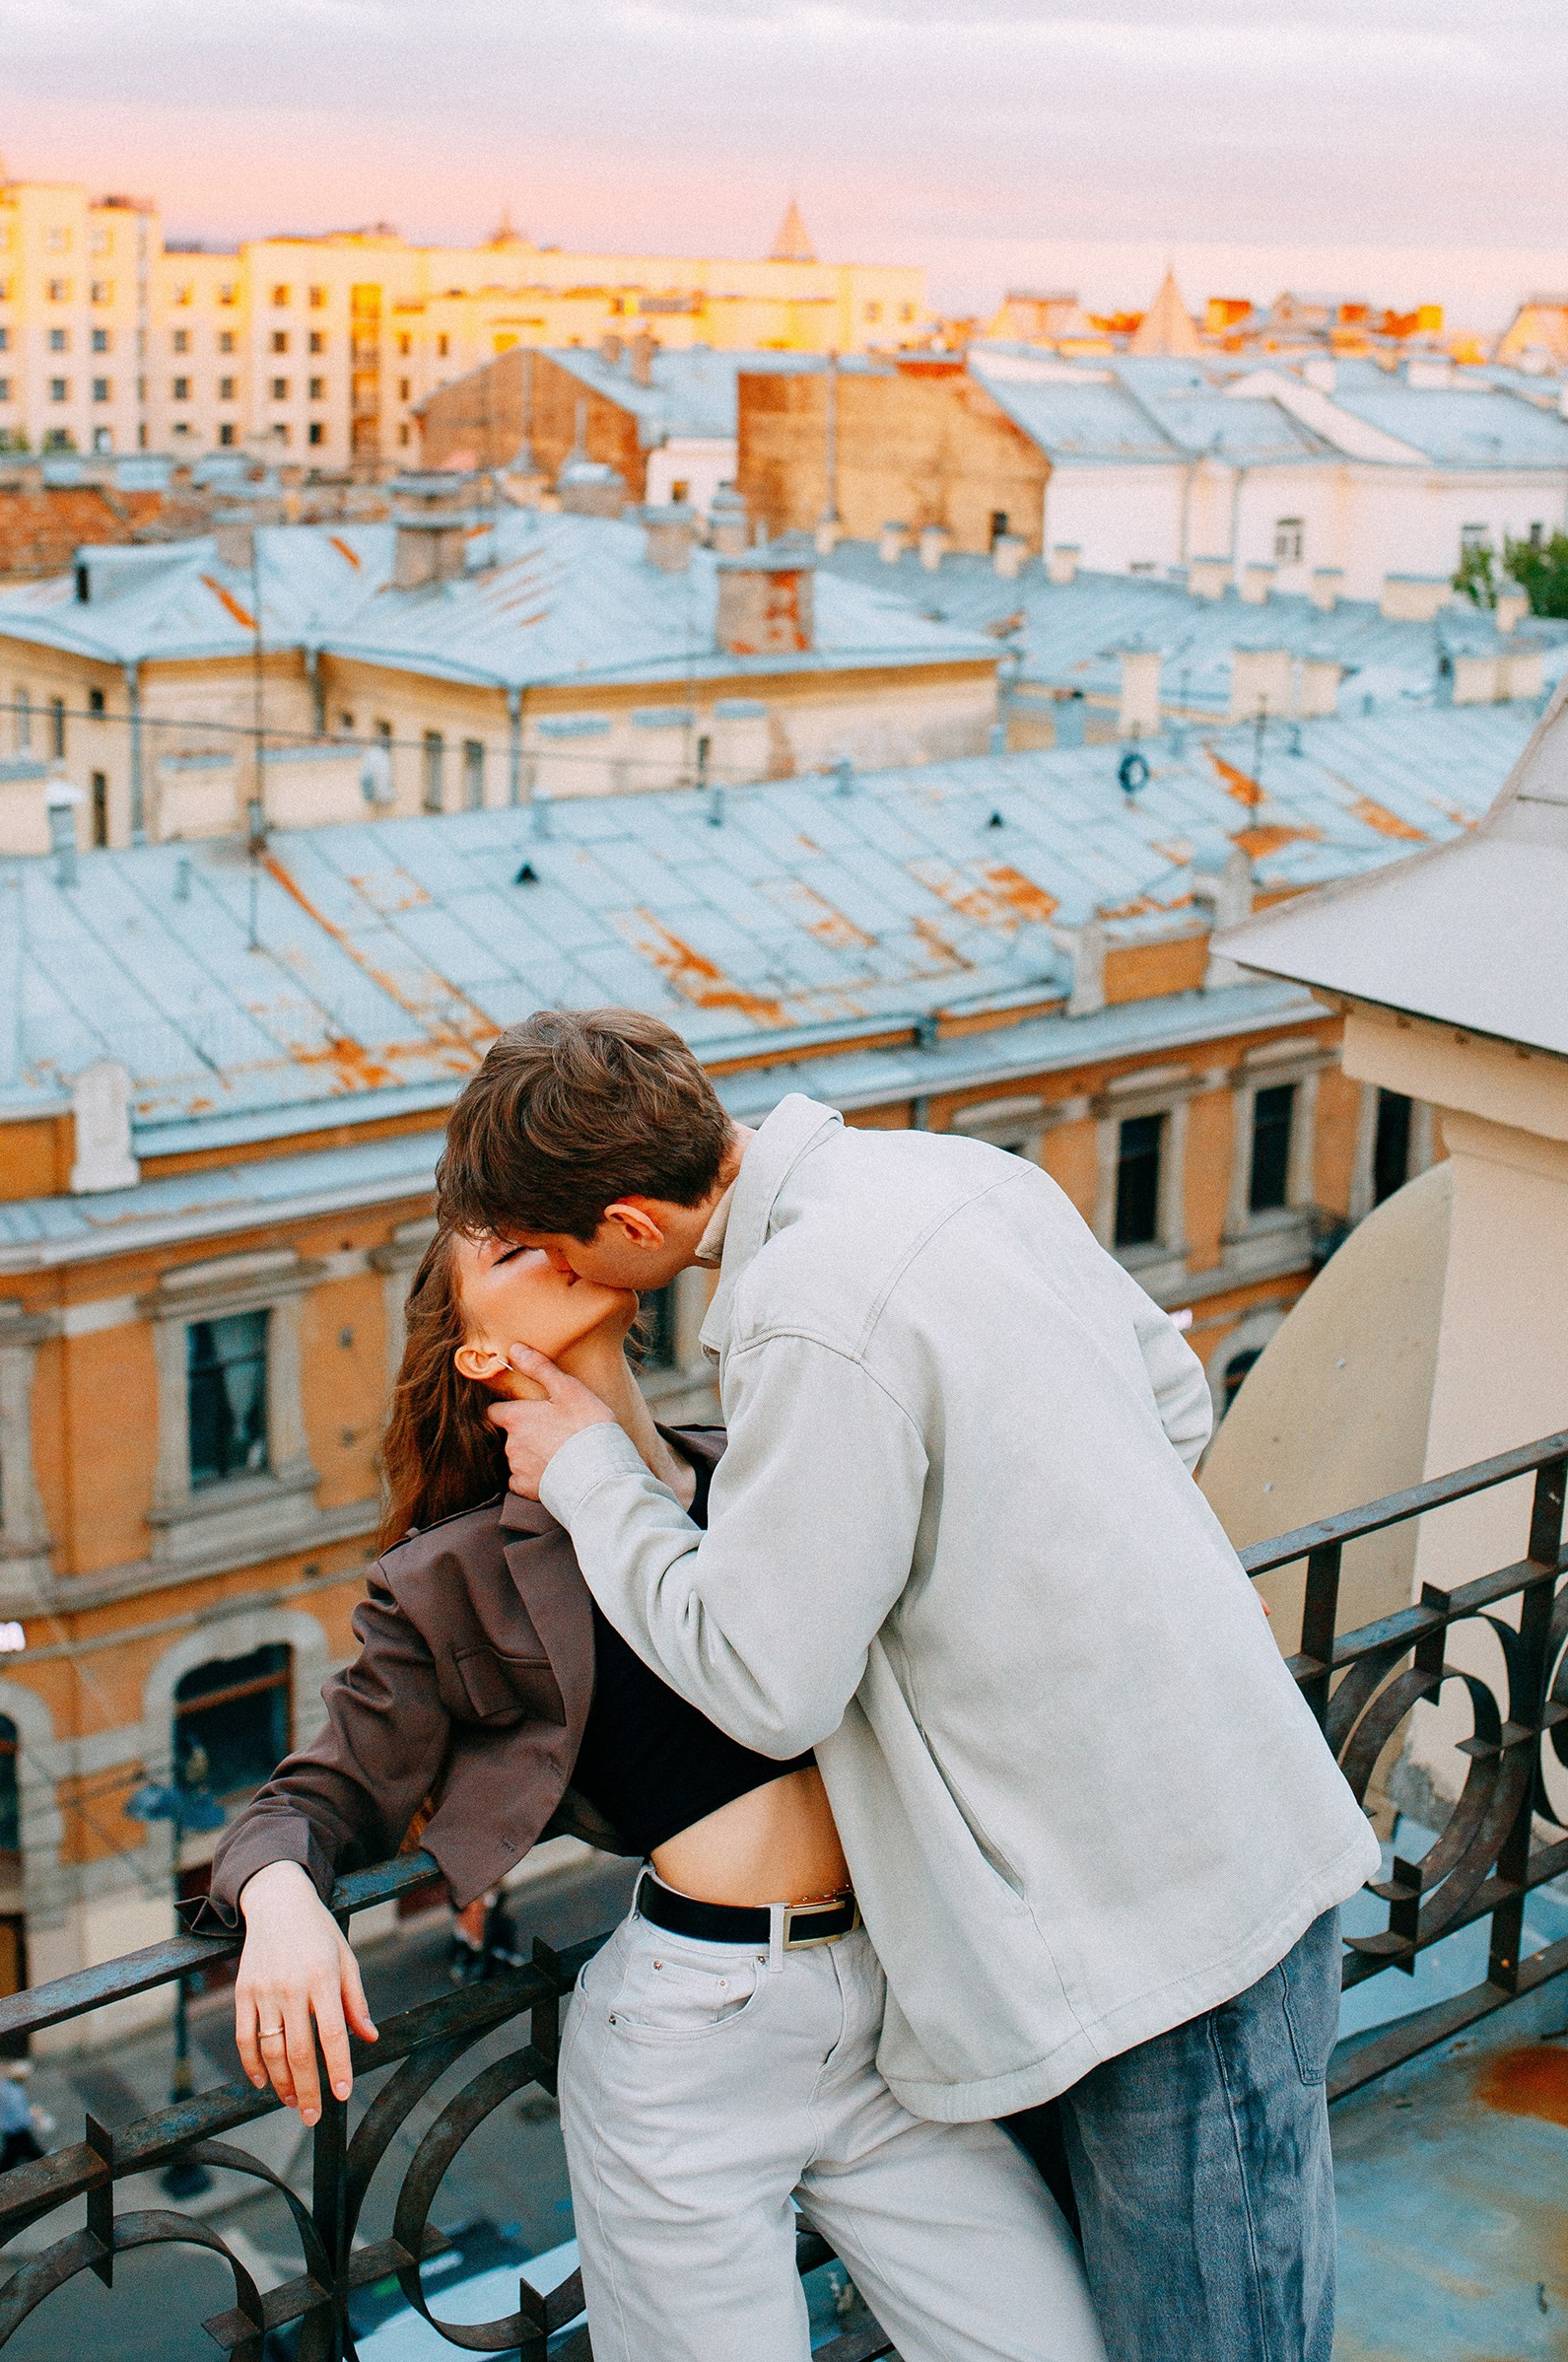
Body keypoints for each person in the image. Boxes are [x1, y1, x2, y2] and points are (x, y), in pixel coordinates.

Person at [436, 1007, 1383, 2362]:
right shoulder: (952, 1172)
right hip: (1208, 1837)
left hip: (1151, 1913)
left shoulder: (808, 1324)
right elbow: (1175, 1403)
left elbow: (769, 1682)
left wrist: (590, 1470)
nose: (585, 1283)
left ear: (636, 1223)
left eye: (565, 1248)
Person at [209, 1226, 1104, 2362]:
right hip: (692, 2042)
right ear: (480, 1354)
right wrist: (280, 1898)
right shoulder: (457, 1576)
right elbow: (318, 1795)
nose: (554, 1240)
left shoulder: (758, 1465)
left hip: (895, 2011)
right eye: (509, 1252)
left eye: (555, 1224)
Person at [0, 2061, 40, 2174]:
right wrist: (33, 2117)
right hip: (15, 2128)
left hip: (5, 2125)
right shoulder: (16, 2094)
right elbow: (20, 2116)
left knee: (14, 2151)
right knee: (16, 2152)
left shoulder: (3, 2085)